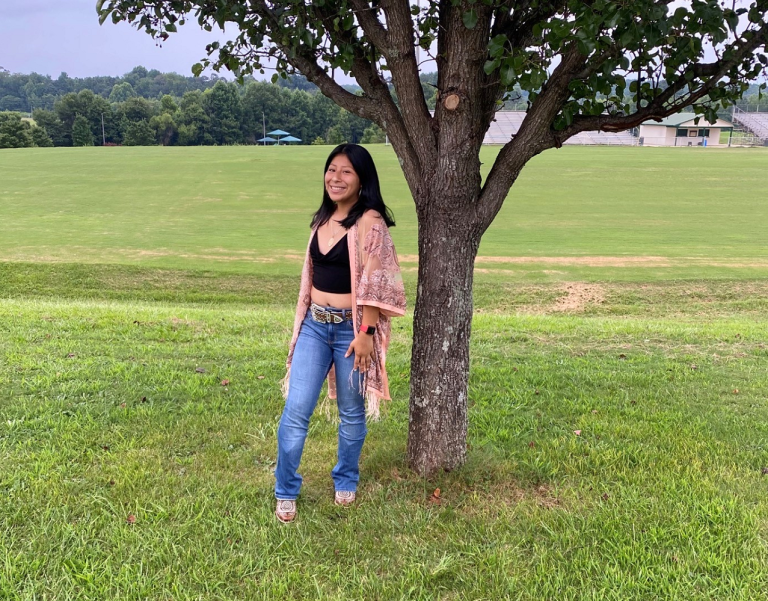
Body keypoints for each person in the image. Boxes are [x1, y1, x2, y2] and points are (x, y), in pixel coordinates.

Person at [274, 143, 406, 523]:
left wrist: (365, 332)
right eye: (332, 169)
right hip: (314, 326)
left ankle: (346, 478)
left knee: (351, 411)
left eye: (346, 171)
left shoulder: (370, 221)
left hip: (352, 332)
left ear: (362, 179)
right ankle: (286, 489)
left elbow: (376, 282)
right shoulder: (322, 218)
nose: (336, 177)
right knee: (296, 409)